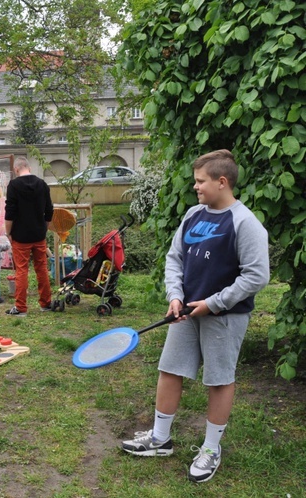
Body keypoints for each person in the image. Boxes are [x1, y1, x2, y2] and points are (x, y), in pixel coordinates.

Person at [121, 150, 269, 483]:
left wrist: (214, 303)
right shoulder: (193, 215)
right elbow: (175, 259)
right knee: (170, 369)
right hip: (185, 312)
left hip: (224, 317)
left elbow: (257, 275)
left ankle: (211, 449)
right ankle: (160, 439)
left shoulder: (245, 223)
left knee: (219, 379)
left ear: (222, 181)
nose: (196, 187)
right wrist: (175, 296)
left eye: (200, 181)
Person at [4, 156, 54, 317]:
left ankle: (21, 308)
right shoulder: (42, 184)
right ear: (29, 168)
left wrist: (8, 233)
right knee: (42, 269)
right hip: (39, 235)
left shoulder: (14, 185)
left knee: (21, 271)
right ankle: (46, 304)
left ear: (16, 169)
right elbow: (49, 211)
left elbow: (9, 212)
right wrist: (43, 229)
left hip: (20, 237)